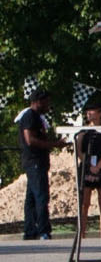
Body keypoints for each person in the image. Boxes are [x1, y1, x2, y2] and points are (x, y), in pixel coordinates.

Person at [16, 88, 58, 240]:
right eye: (46, 102)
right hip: (34, 161)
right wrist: (53, 144)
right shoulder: (30, 116)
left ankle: (30, 230)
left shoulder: (38, 117)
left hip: (38, 161)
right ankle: (43, 230)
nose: (48, 105)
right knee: (41, 195)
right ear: (37, 102)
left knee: (32, 198)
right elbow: (30, 140)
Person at [73, 98, 101, 239]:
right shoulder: (83, 131)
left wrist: (98, 167)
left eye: (92, 110)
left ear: (100, 113)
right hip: (86, 167)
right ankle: (82, 233)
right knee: (84, 203)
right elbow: (79, 150)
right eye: (87, 111)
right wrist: (88, 165)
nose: (88, 113)